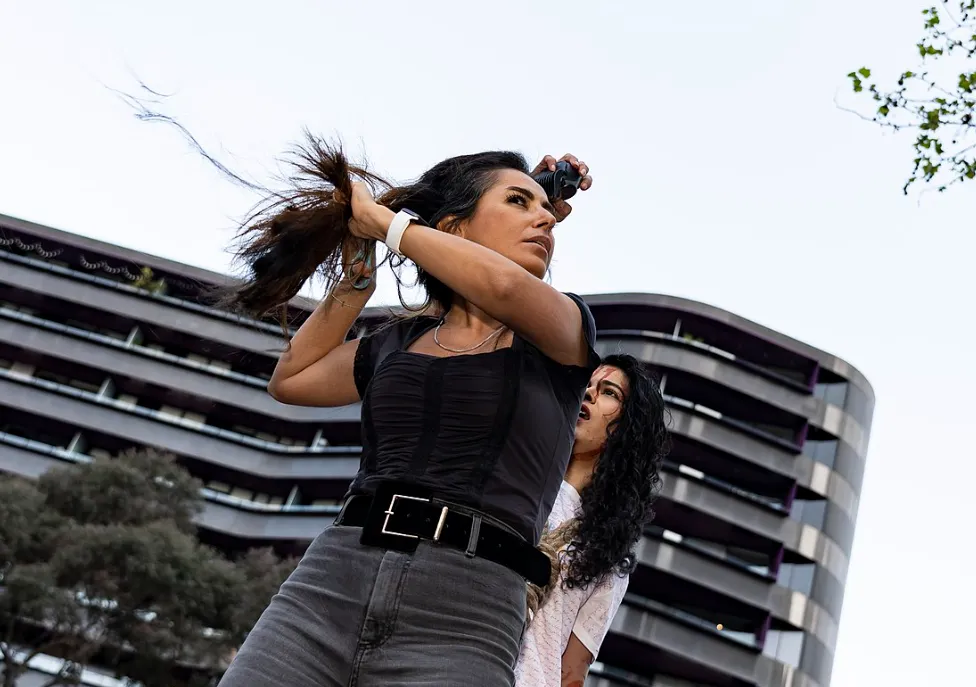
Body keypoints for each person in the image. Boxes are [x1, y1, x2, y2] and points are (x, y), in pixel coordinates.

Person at [215, 143, 599, 687]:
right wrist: (356, 281)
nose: (545, 220)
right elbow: (291, 381)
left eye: (545, 210)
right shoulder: (396, 344)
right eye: (519, 202)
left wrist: (381, 222)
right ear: (453, 229)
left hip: (468, 613)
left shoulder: (562, 335)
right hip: (330, 586)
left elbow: (505, 286)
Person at [515, 354, 669, 687]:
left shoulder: (608, 558)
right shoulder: (514, 479)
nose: (589, 393)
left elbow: (572, 673)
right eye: (587, 384)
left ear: (626, 431)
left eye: (609, 392)